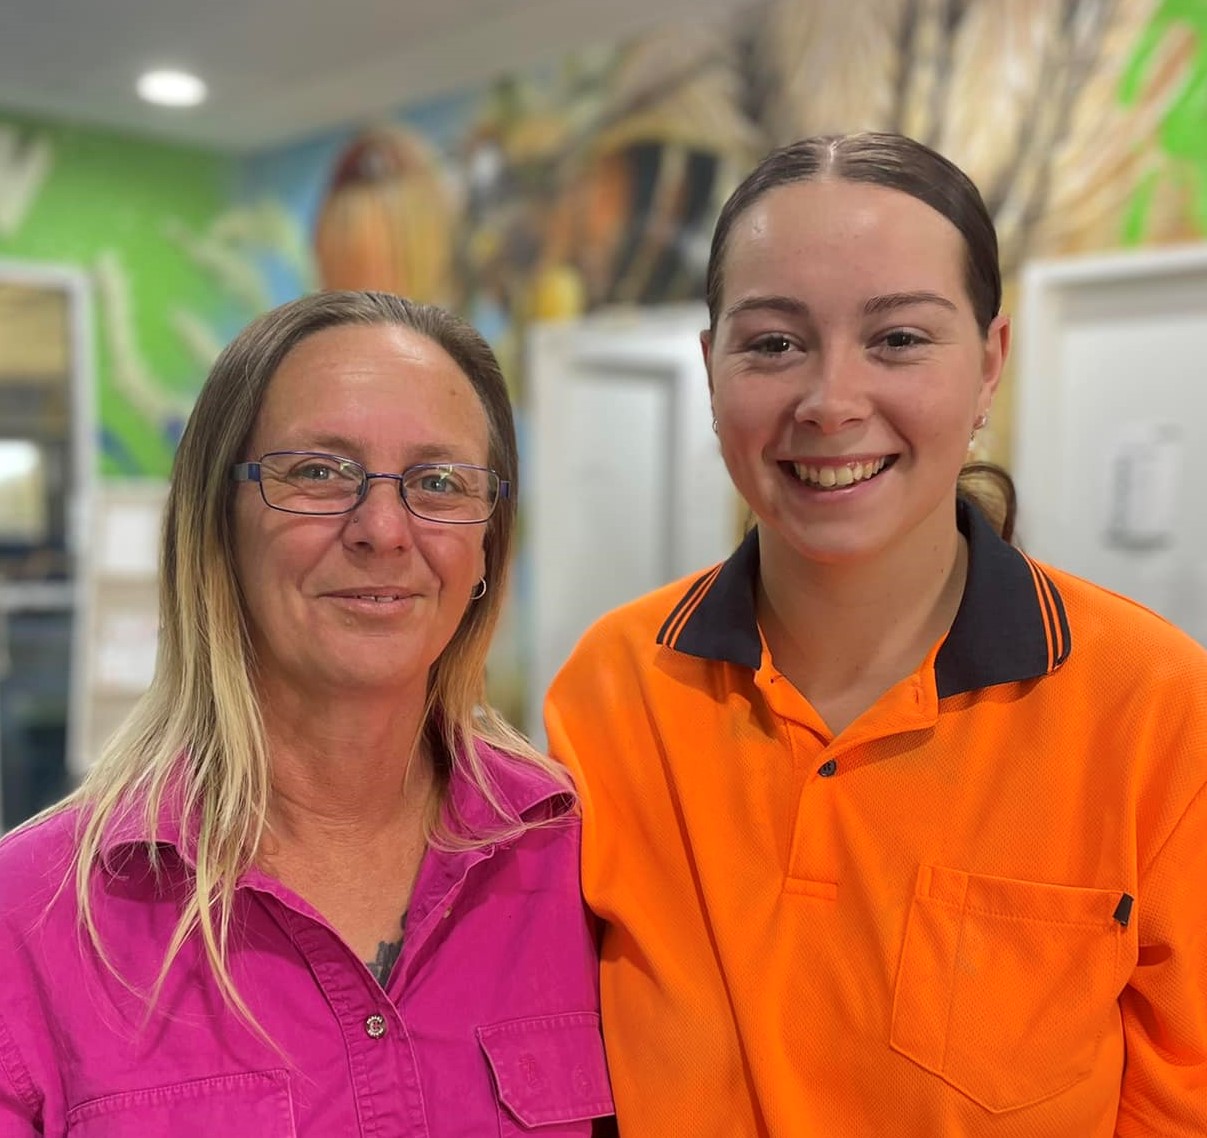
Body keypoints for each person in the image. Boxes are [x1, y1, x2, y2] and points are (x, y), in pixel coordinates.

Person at [545, 133, 1207, 1136]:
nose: (830, 402)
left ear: (989, 365)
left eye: (897, 338)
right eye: (772, 342)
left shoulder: (1156, 706)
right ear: (712, 370)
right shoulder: (611, 689)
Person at [0, 292, 613, 1136]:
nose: (383, 530)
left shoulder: (583, 866)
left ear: (485, 547)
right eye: (319, 473)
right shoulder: (30, 924)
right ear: (219, 525)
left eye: (437, 482)